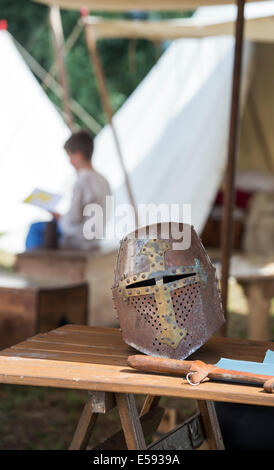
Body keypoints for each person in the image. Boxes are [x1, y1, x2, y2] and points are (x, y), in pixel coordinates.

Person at [25, 130, 111, 251]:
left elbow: (74, 219)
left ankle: (35, 264)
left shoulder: (83, 180)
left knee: (35, 228)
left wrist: (60, 218)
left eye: (70, 156)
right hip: (95, 237)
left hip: (79, 239)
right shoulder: (103, 180)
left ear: (79, 155)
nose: (70, 162)